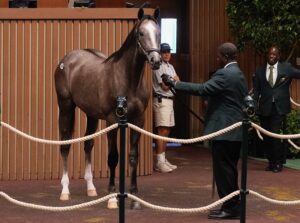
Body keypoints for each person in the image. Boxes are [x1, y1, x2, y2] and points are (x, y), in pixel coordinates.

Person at [162, 42, 248, 220]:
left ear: (224, 57)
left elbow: (203, 89)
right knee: (230, 170)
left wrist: (175, 83)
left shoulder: (224, 74)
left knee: (224, 171)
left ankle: (231, 208)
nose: (217, 59)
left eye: (218, 56)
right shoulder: (239, 73)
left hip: (225, 132)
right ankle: (231, 204)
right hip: (234, 131)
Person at [252, 46, 300, 173]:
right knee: (266, 136)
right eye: (270, 54)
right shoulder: (259, 71)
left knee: (275, 135)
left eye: (274, 54)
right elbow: (256, 91)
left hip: (279, 108)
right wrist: (253, 106)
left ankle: (278, 163)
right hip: (264, 108)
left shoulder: (286, 68)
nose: (271, 56)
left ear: (278, 56)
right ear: (267, 55)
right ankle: (271, 162)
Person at [152, 43, 180, 173]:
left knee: (167, 130)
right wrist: (173, 81)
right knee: (162, 130)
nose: (167, 54)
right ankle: (159, 161)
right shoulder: (157, 66)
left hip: (170, 100)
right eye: (164, 52)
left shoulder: (171, 66)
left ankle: (163, 158)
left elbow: (177, 82)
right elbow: (164, 86)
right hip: (161, 99)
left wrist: (173, 81)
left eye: (168, 51)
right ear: (160, 53)